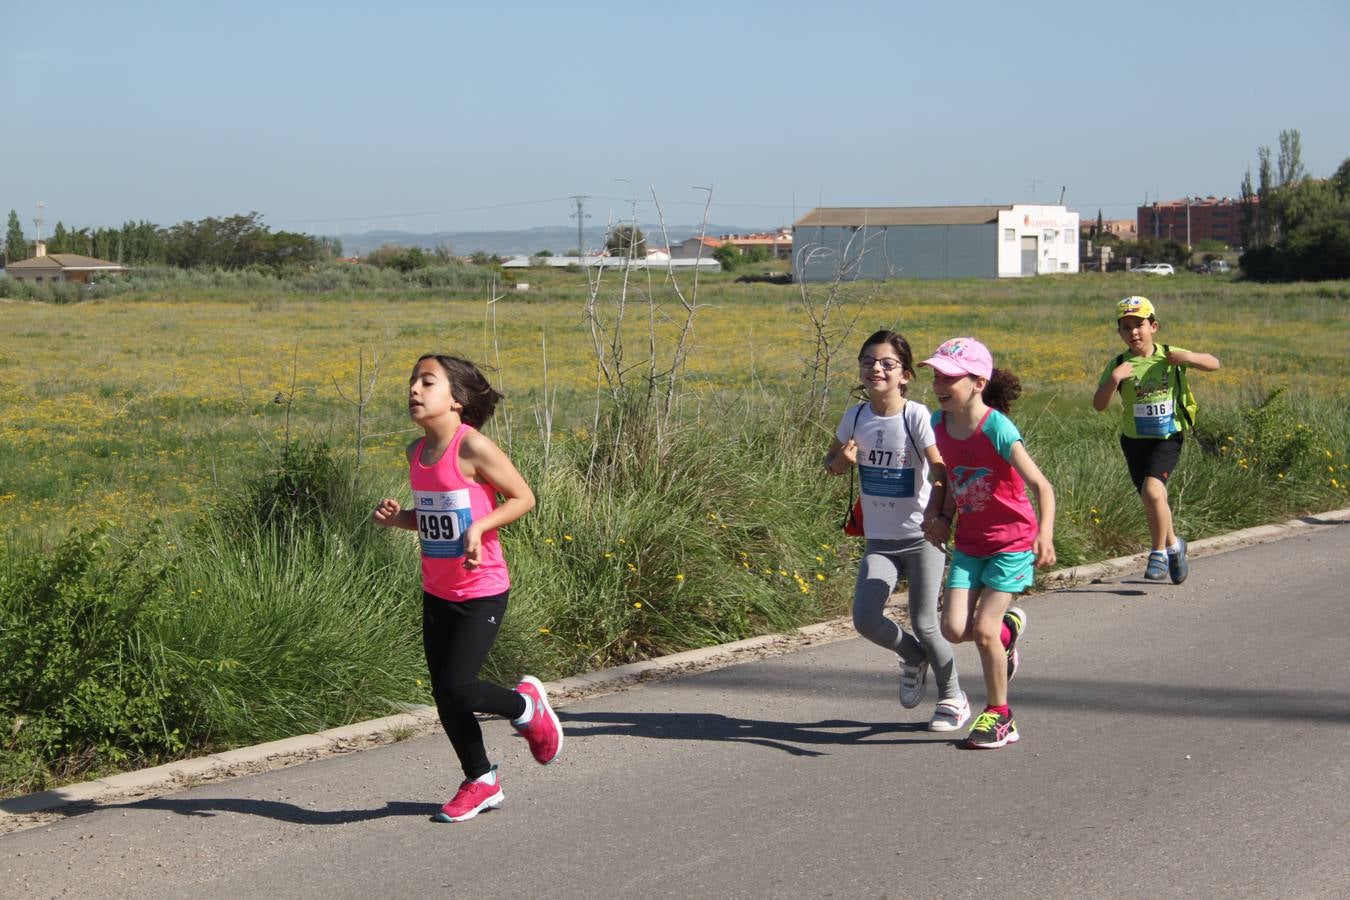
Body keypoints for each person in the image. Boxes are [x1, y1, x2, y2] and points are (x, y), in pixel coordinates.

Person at [372, 353, 561, 823]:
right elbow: (437, 517)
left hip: (482, 589)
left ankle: (525, 705)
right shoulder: (417, 454)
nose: (414, 389)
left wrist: (481, 529)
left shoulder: (473, 448)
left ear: (456, 400)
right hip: (437, 590)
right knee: (445, 693)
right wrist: (401, 519)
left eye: (427, 382)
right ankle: (480, 779)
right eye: (412, 381)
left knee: (459, 686)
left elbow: (523, 498)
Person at [823, 330, 969, 732]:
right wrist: (842, 462)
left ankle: (953, 696)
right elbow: (830, 463)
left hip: (921, 538)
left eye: (887, 363)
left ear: (905, 374)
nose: (876, 369)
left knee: (926, 622)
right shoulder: (854, 416)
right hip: (880, 541)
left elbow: (940, 470)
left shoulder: (915, 415)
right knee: (866, 619)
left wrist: (940, 517)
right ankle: (913, 657)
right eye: (868, 361)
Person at [919, 337, 1055, 749]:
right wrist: (939, 516)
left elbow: (1041, 486)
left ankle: (1000, 715)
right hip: (969, 544)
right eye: (937, 376)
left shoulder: (996, 427)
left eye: (950, 378)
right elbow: (943, 477)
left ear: (978, 382)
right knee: (953, 628)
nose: (940, 384)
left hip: (1011, 543)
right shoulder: (938, 425)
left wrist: (1043, 533)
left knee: (981, 630)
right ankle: (1008, 633)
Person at [1093, 296, 1220, 584]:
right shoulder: (1119, 364)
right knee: (1154, 499)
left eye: (1139, 325)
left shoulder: (1169, 354)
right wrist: (1113, 380)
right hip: (1135, 442)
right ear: (1120, 333)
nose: (1133, 332)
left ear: (1154, 326)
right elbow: (1099, 405)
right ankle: (1175, 547)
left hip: (1167, 437)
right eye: (1126, 327)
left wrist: (1189, 358)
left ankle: (1158, 552)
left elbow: (1214, 364)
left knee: (1152, 492)